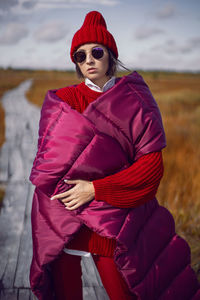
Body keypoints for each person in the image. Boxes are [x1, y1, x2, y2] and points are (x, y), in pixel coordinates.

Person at [29, 11, 200, 300]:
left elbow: (151, 167)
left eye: (96, 52)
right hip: (65, 219)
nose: (89, 61)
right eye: (80, 56)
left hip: (113, 221)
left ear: (110, 55)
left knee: (124, 293)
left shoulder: (135, 99)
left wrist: (95, 189)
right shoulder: (63, 101)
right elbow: (48, 165)